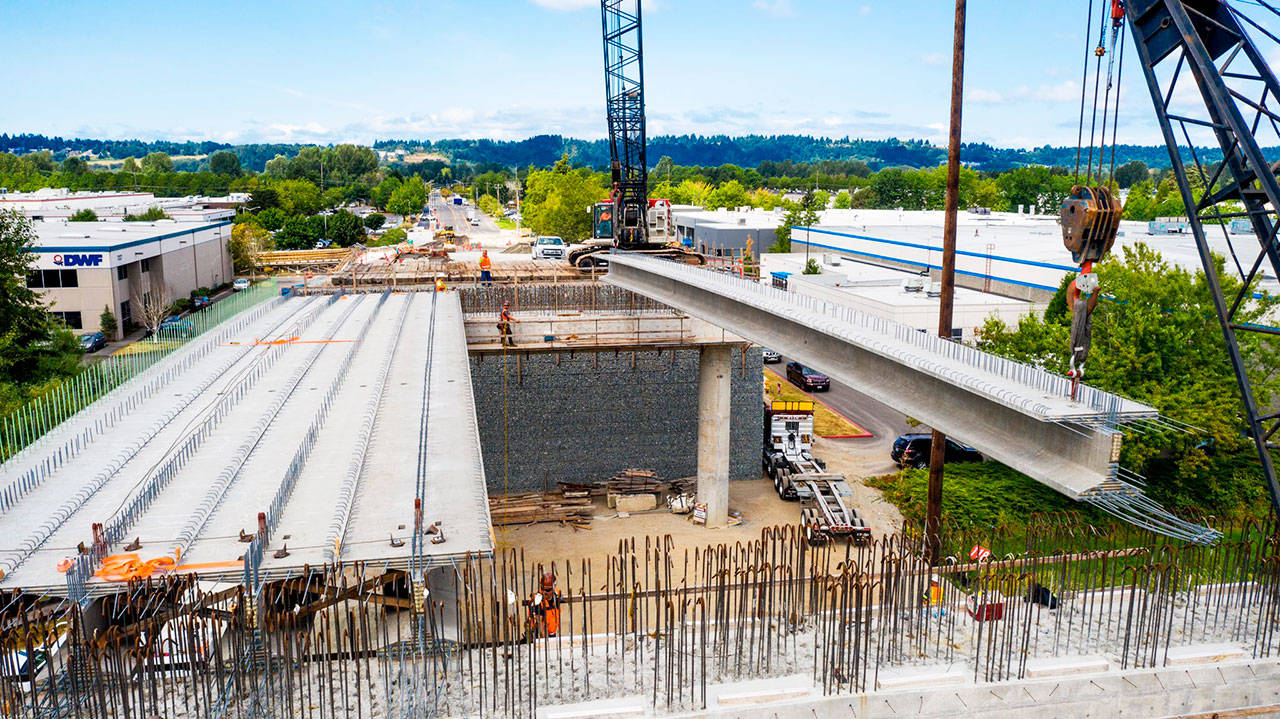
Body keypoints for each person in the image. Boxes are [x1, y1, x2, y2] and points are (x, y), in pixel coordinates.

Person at [524, 572, 562, 638]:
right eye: (542, 588)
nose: (544, 592)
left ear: (553, 589)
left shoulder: (557, 596)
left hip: (554, 635)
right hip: (540, 637)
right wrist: (545, 643)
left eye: (547, 590)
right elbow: (540, 625)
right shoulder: (537, 600)